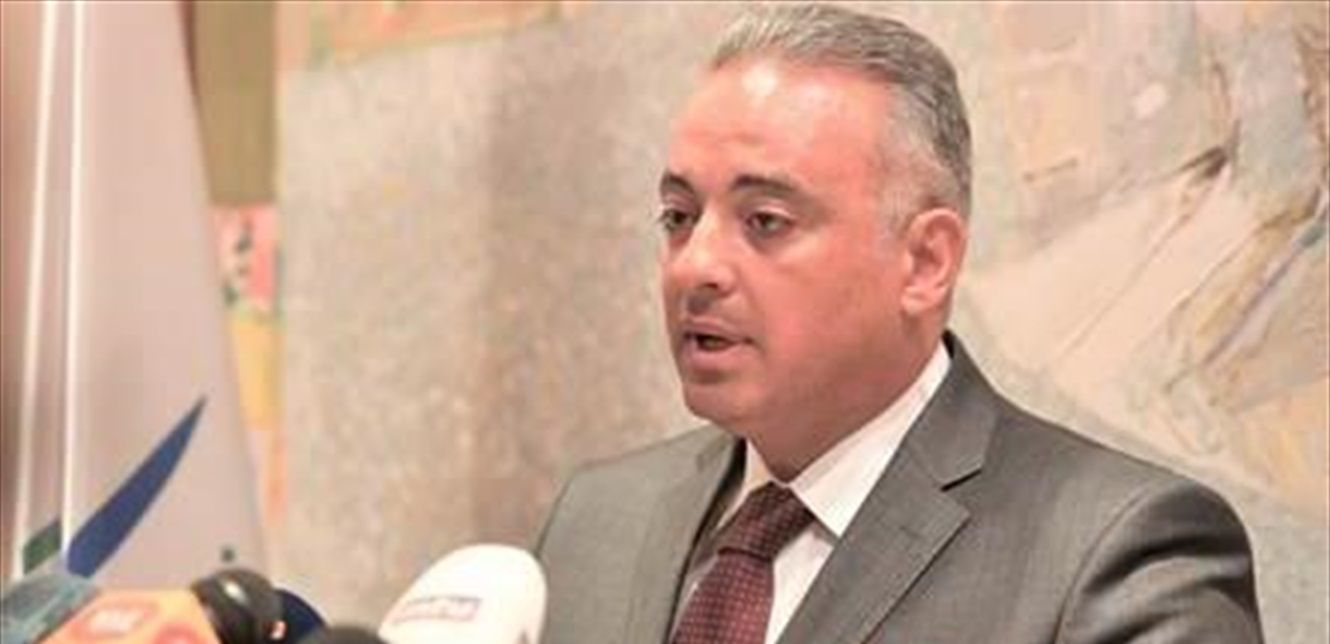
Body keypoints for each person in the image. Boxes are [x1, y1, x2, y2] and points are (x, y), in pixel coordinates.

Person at [535, 5, 1263, 643]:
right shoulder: (598, 520)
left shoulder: (1119, 554)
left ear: (924, 262)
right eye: (678, 217)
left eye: (765, 221)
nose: (696, 265)